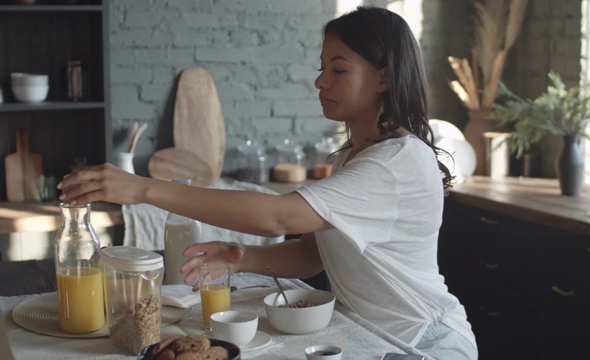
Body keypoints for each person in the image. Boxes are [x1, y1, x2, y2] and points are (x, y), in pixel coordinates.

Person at [57, 6, 477, 359]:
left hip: (426, 343)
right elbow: (313, 256)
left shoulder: (395, 162)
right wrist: (241, 259)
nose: (320, 80)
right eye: (322, 67)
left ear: (383, 78)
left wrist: (143, 189)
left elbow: (277, 217)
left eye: (338, 69)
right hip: (373, 339)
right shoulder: (353, 157)